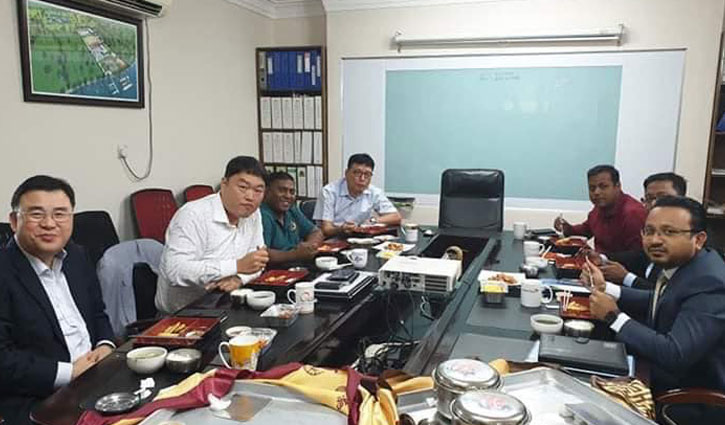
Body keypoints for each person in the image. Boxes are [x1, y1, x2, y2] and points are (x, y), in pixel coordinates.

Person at [584, 196, 725, 424]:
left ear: (698, 239)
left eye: (669, 232)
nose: (655, 240)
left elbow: (675, 354)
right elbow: (663, 300)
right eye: (649, 231)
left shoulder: (710, 282)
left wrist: (614, 317)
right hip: (655, 374)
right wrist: (606, 288)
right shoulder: (687, 263)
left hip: (686, 402)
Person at [0, 176, 115, 425]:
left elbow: (98, 313)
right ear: (14, 221)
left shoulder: (77, 256)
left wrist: (106, 345)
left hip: (97, 379)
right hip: (40, 399)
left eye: (60, 214)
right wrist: (70, 372)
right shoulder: (4, 272)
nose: (49, 224)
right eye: (36, 214)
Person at [155, 156, 270, 314]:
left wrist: (239, 278)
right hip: (182, 315)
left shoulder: (253, 214)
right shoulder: (193, 215)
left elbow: (257, 260)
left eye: (258, 190)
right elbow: (175, 270)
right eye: (243, 187)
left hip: (225, 305)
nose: (250, 197)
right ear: (224, 184)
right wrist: (236, 266)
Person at [600, 172, 687, 289]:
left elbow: (665, 294)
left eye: (663, 198)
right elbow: (640, 256)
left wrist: (626, 278)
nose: (655, 204)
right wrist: (602, 258)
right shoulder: (651, 227)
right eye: (649, 199)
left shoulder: (687, 238)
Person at [554, 165, 647, 254]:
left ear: (618, 186)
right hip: (599, 262)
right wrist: (566, 228)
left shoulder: (633, 213)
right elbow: (586, 230)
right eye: (592, 188)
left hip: (618, 264)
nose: (596, 192)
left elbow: (638, 256)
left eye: (603, 187)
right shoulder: (600, 208)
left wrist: (601, 258)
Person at [313, 153, 401, 237]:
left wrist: (372, 221)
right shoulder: (329, 192)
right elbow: (326, 229)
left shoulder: (373, 192)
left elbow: (396, 217)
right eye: (357, 173)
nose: (362, 178)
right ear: (346, 173)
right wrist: (341, 229)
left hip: (362, 237)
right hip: (334, 238)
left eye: (367, 174)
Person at [261, 172, 324, 264]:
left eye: (292, 192)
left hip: (299, 266)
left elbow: (316, 232)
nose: (288, 196)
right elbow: (262, 254)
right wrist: (295, 254)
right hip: (276, 270)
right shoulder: (262, 215)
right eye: (282, 190)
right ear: (267, 191)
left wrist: (309, 246)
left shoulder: (291, 209)